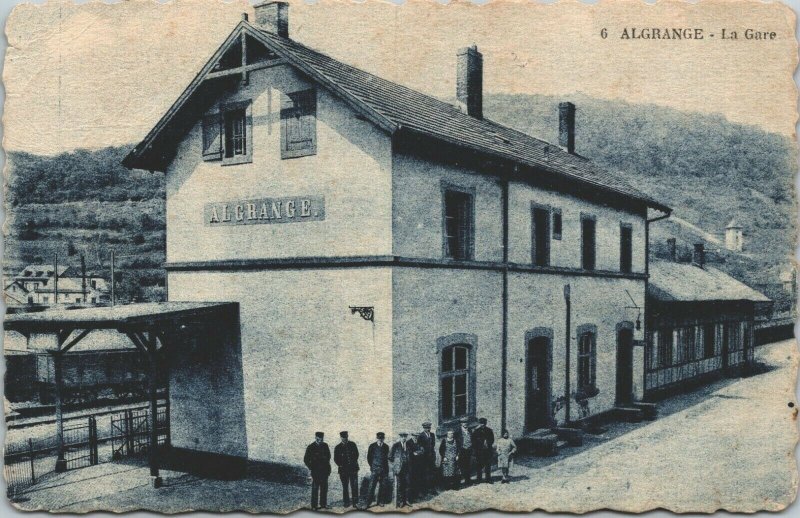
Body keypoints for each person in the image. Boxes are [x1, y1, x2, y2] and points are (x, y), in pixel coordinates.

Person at [304, 432, 332, 510]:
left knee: (324, 488)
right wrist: (311, 467)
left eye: (322, 439)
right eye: (319, 439)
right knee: (315, 489)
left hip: (324, 471)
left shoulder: (325, 445)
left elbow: (329, 456)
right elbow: (306, 459)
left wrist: (326, 465)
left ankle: (323, 504)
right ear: (316, 438)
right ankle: (314, 506)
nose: (321, 440)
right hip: (315, 471)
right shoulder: (311, 447)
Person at [333, 431, 359, 507]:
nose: (345, 439)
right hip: (343, 470)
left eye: (346, 437)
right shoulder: (337, 447)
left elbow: (356, 455)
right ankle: (346, 502)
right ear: (341, 438)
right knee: (345, 486)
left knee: (354, 486)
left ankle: (355, 502)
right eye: (343, 437)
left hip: (353, 469)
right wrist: (341, 465)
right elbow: (335, 459)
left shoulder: (352, 444)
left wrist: (352, 464)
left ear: (347, 436)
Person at [365, 432, 389, 508]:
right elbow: (369, 458)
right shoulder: (372, 446)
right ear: (377, 438)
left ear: (384, 439)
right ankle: (368, 503)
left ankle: (381, 501)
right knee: (371, 486)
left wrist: (386, 469)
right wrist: (373, 467)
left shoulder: (386, 447)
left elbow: (386, 459)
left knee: (383, 486)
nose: (380, 440)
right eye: (379, 438)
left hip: (384, 469)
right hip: (375, 469)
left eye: (382, 439)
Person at [389, 431, 413, 508]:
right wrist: (395, 466)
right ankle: (401, 501)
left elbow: (412, 454)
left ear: (406, 437)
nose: (403, 438)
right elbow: (390, 457)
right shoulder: (395, 445)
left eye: (405, 437)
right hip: (399, 469)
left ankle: (407, 500)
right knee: (399, 486)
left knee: (407, 484)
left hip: (407, 468)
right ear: (400, 437)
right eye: (402, 437)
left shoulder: (409, 445)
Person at [471, 417, 495, 483]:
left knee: (488, 465)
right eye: (481, 423)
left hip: (487, 450)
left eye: (484, 423)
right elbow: (473, 441)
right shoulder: (476, 431)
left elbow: (492, 439)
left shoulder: (489, 430)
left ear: (486, 423)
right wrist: (479, 445)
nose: (482, 425)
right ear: (479, 423)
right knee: (479, 465)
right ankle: (479, 479)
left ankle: (488, 478)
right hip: (479, 451)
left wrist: (487, 442)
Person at [418, 422, 437, 495]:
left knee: (432, 473)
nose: (428, 429)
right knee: (424, 474)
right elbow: (420, 447)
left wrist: (433, 455)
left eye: (429, 428)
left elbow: (433, 445)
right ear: (424, 428)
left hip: (431, 457)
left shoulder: (432, 435)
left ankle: (432, 489)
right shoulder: (421, 436)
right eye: (426, 428)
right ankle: (424, 490)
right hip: (424, 459)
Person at [456, 417, 473, 486]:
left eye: (466, 423)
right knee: (461, 465)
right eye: (463, 423)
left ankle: (468, 480)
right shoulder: (458, 431)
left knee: (468, 465)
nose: (465, 424)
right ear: (461, 424)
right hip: (462, 450)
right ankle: (460, 481)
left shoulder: (470, 430)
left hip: (468, 450)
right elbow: (457, 442)